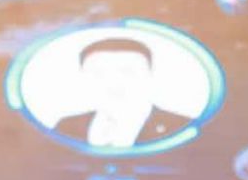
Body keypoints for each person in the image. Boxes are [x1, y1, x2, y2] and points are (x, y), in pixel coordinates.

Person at [51, 37, 191, 149]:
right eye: (98, 73)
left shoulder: (182, 128)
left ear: (150, 75)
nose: (113, 83)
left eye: (127, 72)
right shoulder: (67, 127)